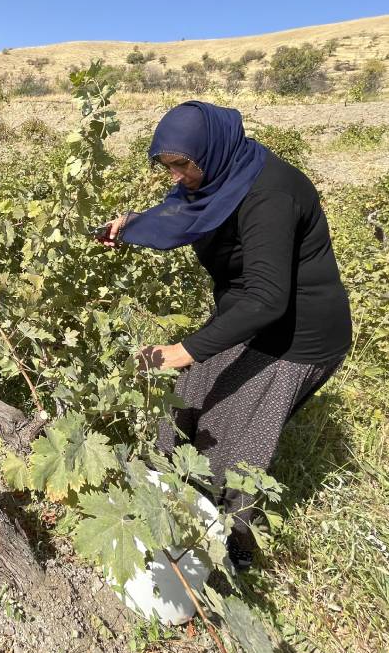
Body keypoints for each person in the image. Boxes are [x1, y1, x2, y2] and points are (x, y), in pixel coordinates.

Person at [98, 101, 351, 571]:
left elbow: (268, 300)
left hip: (298, 338)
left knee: (234, 445)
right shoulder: (220, 177)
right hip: (246, 318)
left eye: (181, 165)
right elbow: (186, 209)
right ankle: (167, 503)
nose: (174, 176)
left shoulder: (269, 195)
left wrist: (182, 349)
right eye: (166, 166)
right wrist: (132, 224)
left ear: (211, 152)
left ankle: (234, 553)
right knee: (187, 401)